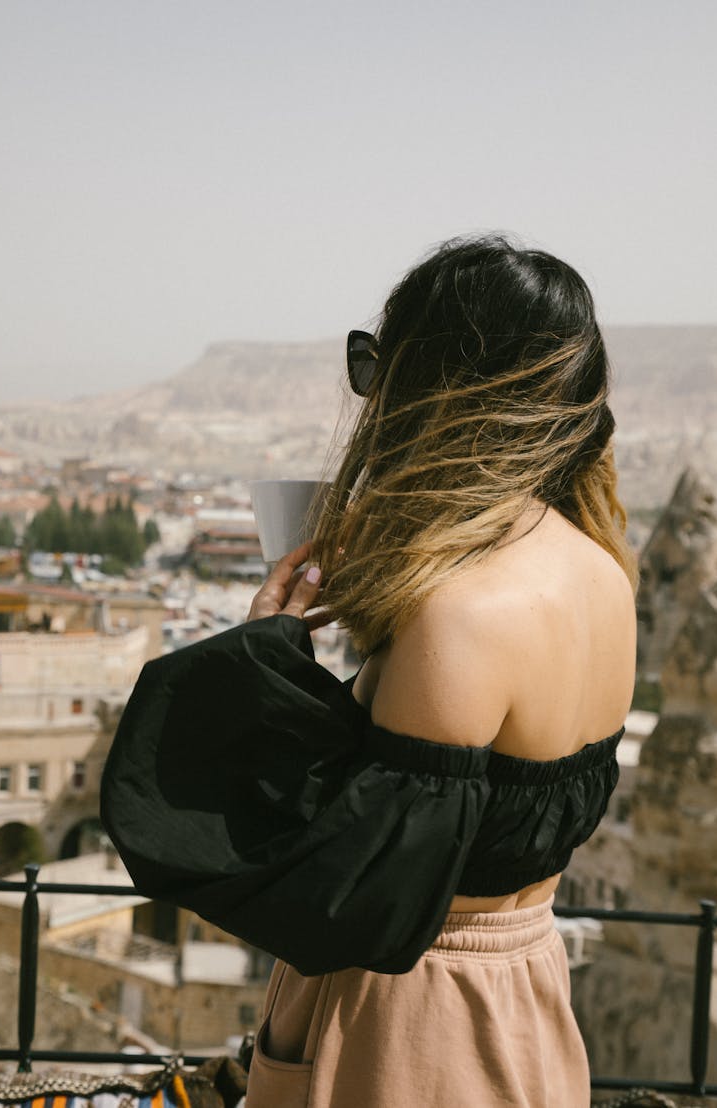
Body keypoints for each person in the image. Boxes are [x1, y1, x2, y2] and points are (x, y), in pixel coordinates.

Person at [101, 234, 637, 1107]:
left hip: (412, 1028)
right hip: (523, 1001)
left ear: (436, 387)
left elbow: (351, 890)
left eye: (380, 367)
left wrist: (261, 656)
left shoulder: (460, 612)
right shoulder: (606, 576)